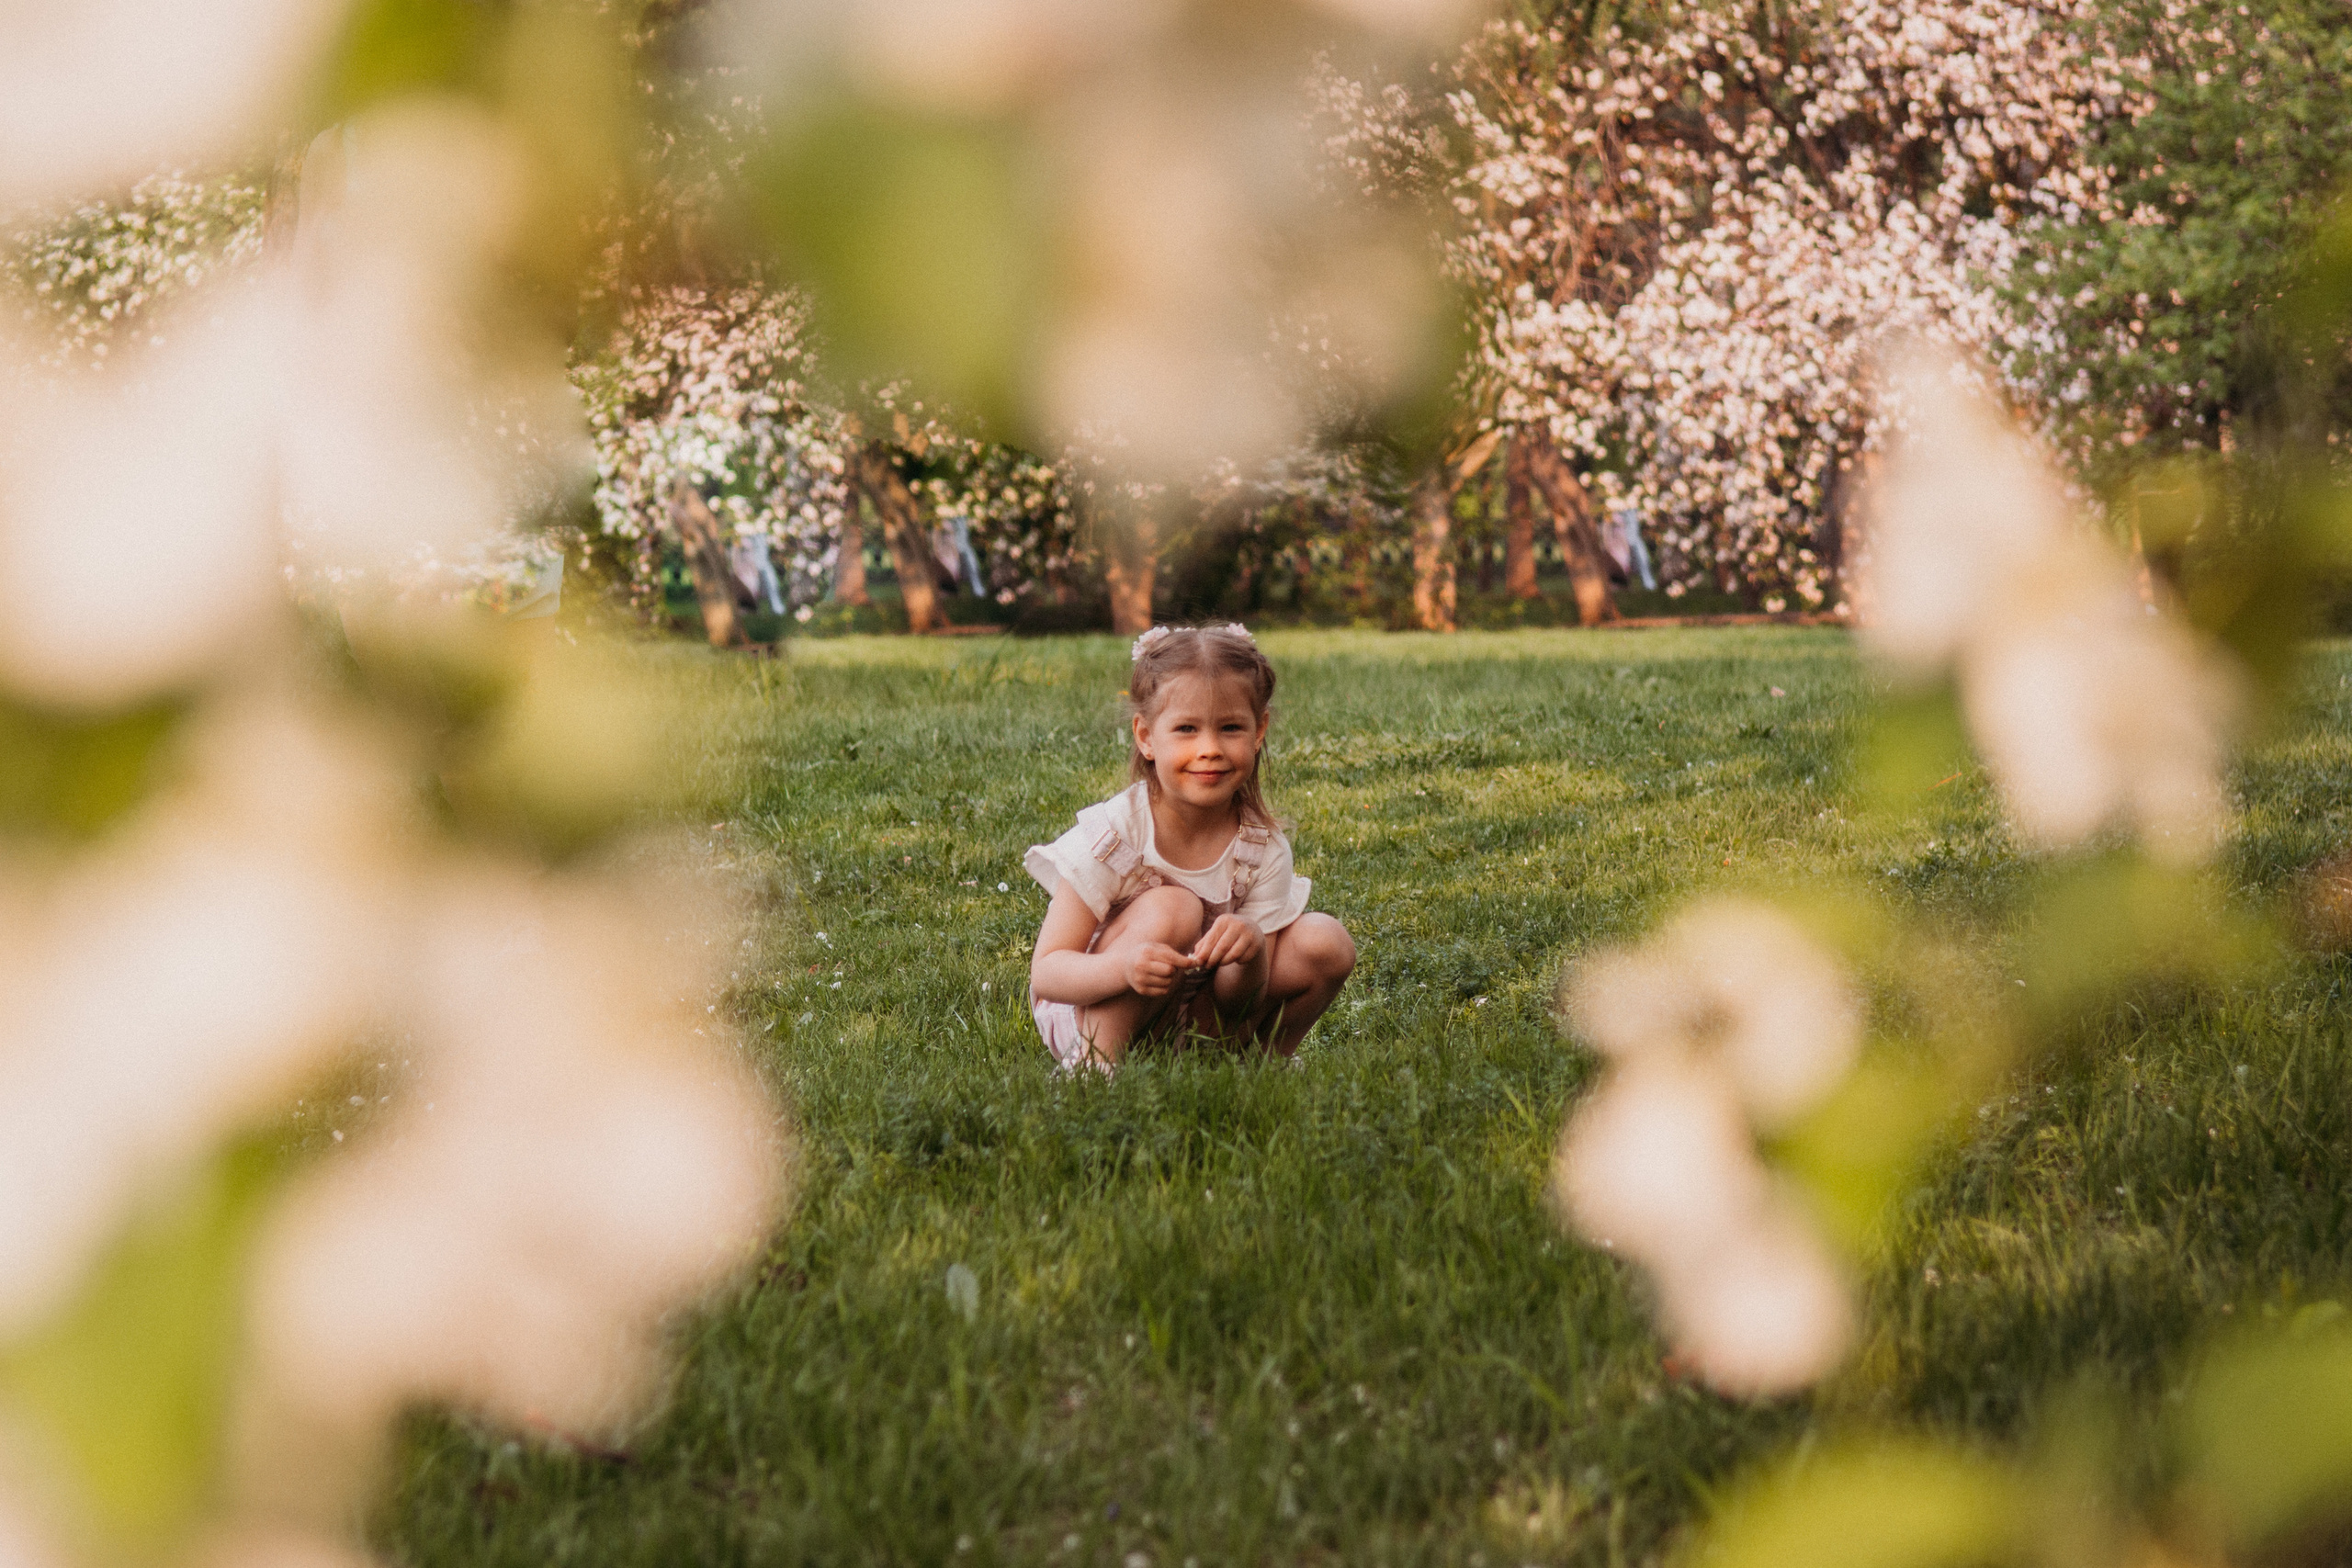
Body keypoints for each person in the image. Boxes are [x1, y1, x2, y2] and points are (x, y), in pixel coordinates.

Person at [1024, 624, 1356, 1072]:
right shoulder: (1114, 835)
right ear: (1145, 737)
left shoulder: (1261, 849)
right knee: (1173, 906)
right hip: (1096, 1006)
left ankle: (1257, 1064)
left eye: (1231, 728)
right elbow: (1048, 972)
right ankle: (1094, 1065)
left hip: (1200, 1018)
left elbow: (1238, 1000)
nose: (1210, 749)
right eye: (1186, 728)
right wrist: (1122, 968)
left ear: (1259, 731)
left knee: (1326, 941)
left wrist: (1252, 950)